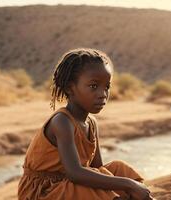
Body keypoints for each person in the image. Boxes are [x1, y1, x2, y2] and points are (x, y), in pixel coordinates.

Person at [18, 48, 153, 200]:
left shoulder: (91, 123)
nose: (103, 94)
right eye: (94, 86)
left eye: (107, 87)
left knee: (118, 168)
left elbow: (97, 169)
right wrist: (128, 185)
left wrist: (128, 183)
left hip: (70, 184)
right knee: (95, 184)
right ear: (70, 88)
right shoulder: (62, 122)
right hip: (44, 192)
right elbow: (75, 173)